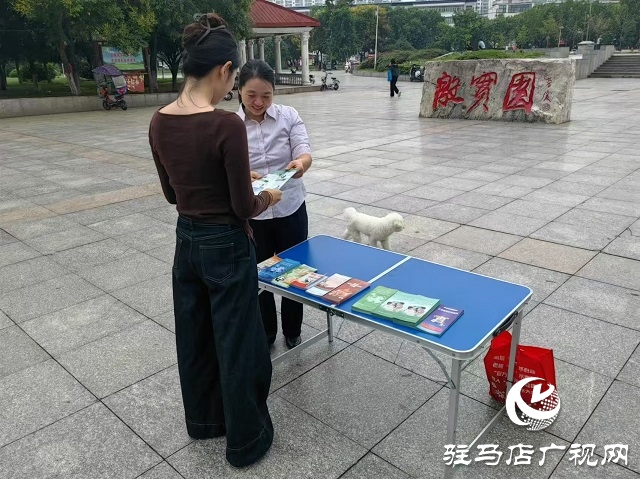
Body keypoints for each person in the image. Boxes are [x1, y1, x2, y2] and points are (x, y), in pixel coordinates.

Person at [148, 14, 281, 468]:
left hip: (186, 242)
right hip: (226, 244)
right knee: (238, 341)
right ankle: (246, 441)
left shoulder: (159, 121)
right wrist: (268, 195)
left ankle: (204, 422)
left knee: (197, 336)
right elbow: (243, 207)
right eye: (233, 79)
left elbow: (173, 194)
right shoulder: (225, 125)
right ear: (225, 70)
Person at [236, 59, 313, 350]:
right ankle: (266, 332)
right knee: (258, 274)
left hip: (290, 207)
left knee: (295, 270)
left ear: (274, 92)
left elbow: (304, 150)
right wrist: (242, 174)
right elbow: (223, 166)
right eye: (251, 95)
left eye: (266, 95)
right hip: (254, 213)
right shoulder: (231, 126)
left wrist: (300, 163)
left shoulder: (288, 116)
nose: (259, 102)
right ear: (239, 90)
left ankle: (293, 329)